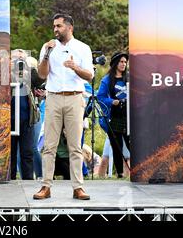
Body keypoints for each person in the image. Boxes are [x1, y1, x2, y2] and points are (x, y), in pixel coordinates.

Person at [34, 13, 93, 200]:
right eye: (54, 26)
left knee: (75, 146)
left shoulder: (83, 48)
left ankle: (78, 188)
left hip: (75, 98)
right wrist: (46, 56)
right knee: (49, 146)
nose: (55, 29)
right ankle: (46, 186)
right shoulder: (48, 47)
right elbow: (42, 75)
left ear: (70, 27)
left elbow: (90, 76)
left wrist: (75, 67)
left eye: (59, 26)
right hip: (53, 98)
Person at [11, 50, 44, 180]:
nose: (19, 61)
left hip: (27, 118)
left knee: (27, 152)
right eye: (15, 58)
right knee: (11, 153)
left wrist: (27, 71)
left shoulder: (29, 72)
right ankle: (10, 178)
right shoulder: (3, 72)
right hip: (8, 120)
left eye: (22, 58)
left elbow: (41, 81)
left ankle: (28, 180)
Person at [97, 52, 130, 178]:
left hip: (128, 116)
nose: (123, 64)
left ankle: (139, 170)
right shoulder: (106, 80)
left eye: (125, 62)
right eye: (121, 62)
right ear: (115, 63)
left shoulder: (128, 77)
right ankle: (120, 173)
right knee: (117, 146)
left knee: (131, 143)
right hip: (114, 117)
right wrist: (112, 102)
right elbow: (100, 98)